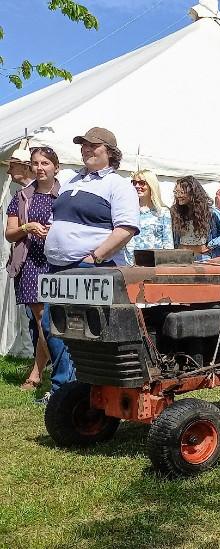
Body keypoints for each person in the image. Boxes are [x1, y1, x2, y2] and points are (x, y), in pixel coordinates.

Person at [43, 127, 139, 403]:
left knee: (88, 331)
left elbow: (126, 228)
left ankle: (86, 391)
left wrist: (94, 257)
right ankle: (64, 389)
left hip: (91, 268)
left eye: (93, 146)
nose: (86, 149)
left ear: (110, 152)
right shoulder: (73, 181)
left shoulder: (117, 185)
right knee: (54, 326)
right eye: (83, 145)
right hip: (59, 267)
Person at [5, 147, 60, 391]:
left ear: (55, 167)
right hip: (31, 262)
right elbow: (9, 233)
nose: (40, 167)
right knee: (41, 319)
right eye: (36, 163)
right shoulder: (22, 196)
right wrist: (28, 227)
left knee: (56, 320)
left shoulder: (67, 194)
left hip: (59, 261)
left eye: (45, 163)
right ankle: (48, 375)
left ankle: (43, 373)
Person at [170, 175, 220, 260]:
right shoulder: (176, 213)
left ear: (192, 192)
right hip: (182, 259)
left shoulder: (211, 212)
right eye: (176, 192)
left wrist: (210, 245)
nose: (178, 196)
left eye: (182, 192)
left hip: (203, 258)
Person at [124, 169, 174, 264]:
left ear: (151, 186)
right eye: (134, 182)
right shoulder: (127, 211)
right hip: (129, 265)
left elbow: (168, 244)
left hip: (154, 265)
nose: (137, 186)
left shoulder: (162, 212)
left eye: (142, 183)